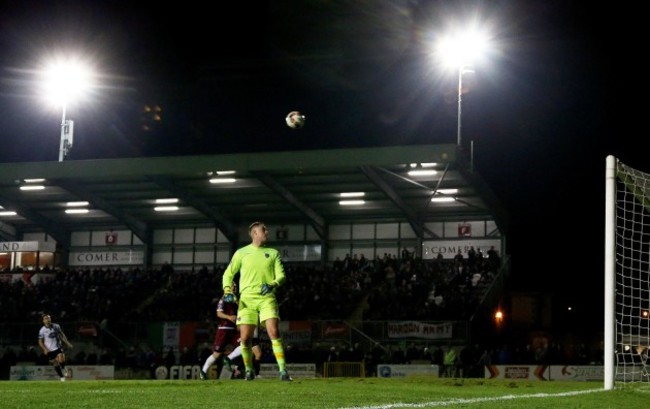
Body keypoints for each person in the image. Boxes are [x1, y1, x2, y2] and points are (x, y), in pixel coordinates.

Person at [222, 221, 292, 381]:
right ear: (255, 233)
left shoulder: (273, 253)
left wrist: (272, 284)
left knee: (273, 331)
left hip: (267, 298)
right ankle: (249, 370)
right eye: (264, 230)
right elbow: (228, 274)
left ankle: (283, 371)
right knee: (246, 338)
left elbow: (281, 276)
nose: (267, 232)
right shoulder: (241, 253)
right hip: (246, 300)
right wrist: (227, 289)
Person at [199, 283, 240, 380]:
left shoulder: (235, 299)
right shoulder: (224, 299)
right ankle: (203, 372)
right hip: (224, 329)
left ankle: (229, 359)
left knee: (245, 345)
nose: (234, 287)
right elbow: (219, 313)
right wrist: (229, 317)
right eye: (232, 286)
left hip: (234, 330)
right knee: (217, 353)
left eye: (235, 286)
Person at [38, 313, 73, 382]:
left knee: (61, 359)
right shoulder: (42, 330)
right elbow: (40, 341)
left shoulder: (56, 326)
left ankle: (63, 367)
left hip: (58, 347)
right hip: (49, 350)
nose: (48, 320)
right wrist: (45, 349)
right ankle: (62, 377)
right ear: (43, 321)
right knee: (55, 363)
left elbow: (62, 335)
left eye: (49, 318)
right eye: (46, 319)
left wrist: (67, 343)